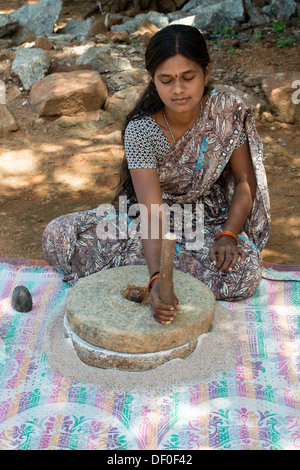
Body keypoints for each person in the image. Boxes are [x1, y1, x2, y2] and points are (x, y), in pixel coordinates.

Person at [42, 24, 271, 325]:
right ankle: (161, 272)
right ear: (153, 80)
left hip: (209, 224)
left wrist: (228, 235)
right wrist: (156, 278)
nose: (178, 89)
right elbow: (151, 212)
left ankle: (145, 267)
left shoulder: (226, 110)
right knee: (58, 237)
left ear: (206, 71)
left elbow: (244, 182)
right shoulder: (141, 130)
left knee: (245, 272)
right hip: (149, 221)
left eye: (188, 77)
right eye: (166, 80)